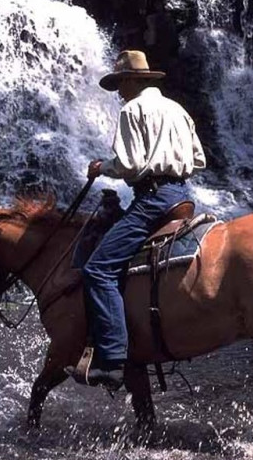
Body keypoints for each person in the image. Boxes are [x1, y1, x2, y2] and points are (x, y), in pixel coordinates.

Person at [79, 49, 206, 389]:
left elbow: (131, 167)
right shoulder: (178, 109)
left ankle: (113, 359)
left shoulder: (132, 109)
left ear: (134, 80)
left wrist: (101, 168)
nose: (119, 91)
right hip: (181, 196)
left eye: (121, 83)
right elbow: (197, 160)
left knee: (98, 270)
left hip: (152, 199)